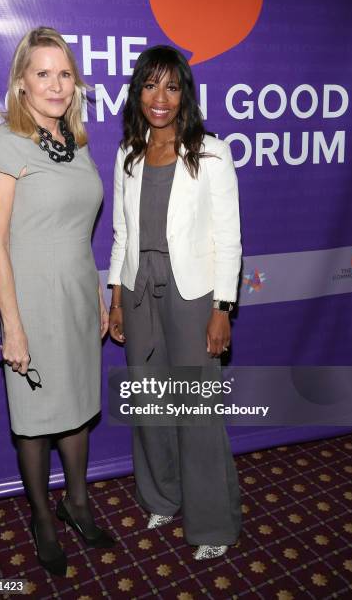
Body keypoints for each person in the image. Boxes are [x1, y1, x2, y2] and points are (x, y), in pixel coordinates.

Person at [0, 27, 114, 577]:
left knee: (77, 403)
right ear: (21, 84)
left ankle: (76, 503)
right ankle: (42, 517)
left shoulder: (76, 143)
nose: (56, 85)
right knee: (35, 419)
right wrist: (13, 326)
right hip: (30, 299)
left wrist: (98, 293)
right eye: (43, 74)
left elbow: (80, 229)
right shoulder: (2, 143)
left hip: (78, 293)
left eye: (64, 74)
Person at [108, 45, 242, 561]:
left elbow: (228, 238)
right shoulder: (128, 153)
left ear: (184, 92)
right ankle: (162, 496)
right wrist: (116, 296)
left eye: (171, 86)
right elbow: (122, 233)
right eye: (149, 85)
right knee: (149, 400)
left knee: (197, 408)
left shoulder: (211, 152)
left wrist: (222, 307)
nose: (159, 98)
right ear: (137, 92)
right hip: (139, 287)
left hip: (193, 293)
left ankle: (212, 524)